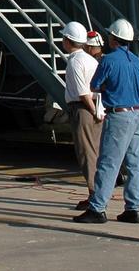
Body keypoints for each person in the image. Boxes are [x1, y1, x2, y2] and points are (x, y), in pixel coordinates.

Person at [74, 18, 139, 225]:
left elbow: (95, 85)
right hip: (136, 115)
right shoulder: (137, 61)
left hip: (119, 115)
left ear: (113, 39)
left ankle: (97, 208)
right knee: (134, 164)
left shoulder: (109, 60)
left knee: (108, 163)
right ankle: (133, 209)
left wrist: (108, 88)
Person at [59, 21, 102, 210]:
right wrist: (98, 111)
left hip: (84, 109)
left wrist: (93, 111)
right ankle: (99, 193)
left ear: (68, 41)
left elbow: (83, 93)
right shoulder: (90, 60)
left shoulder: (75, 62)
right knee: (96, 152)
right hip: (96, 107)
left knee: (86, 154)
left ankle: (94, 196)